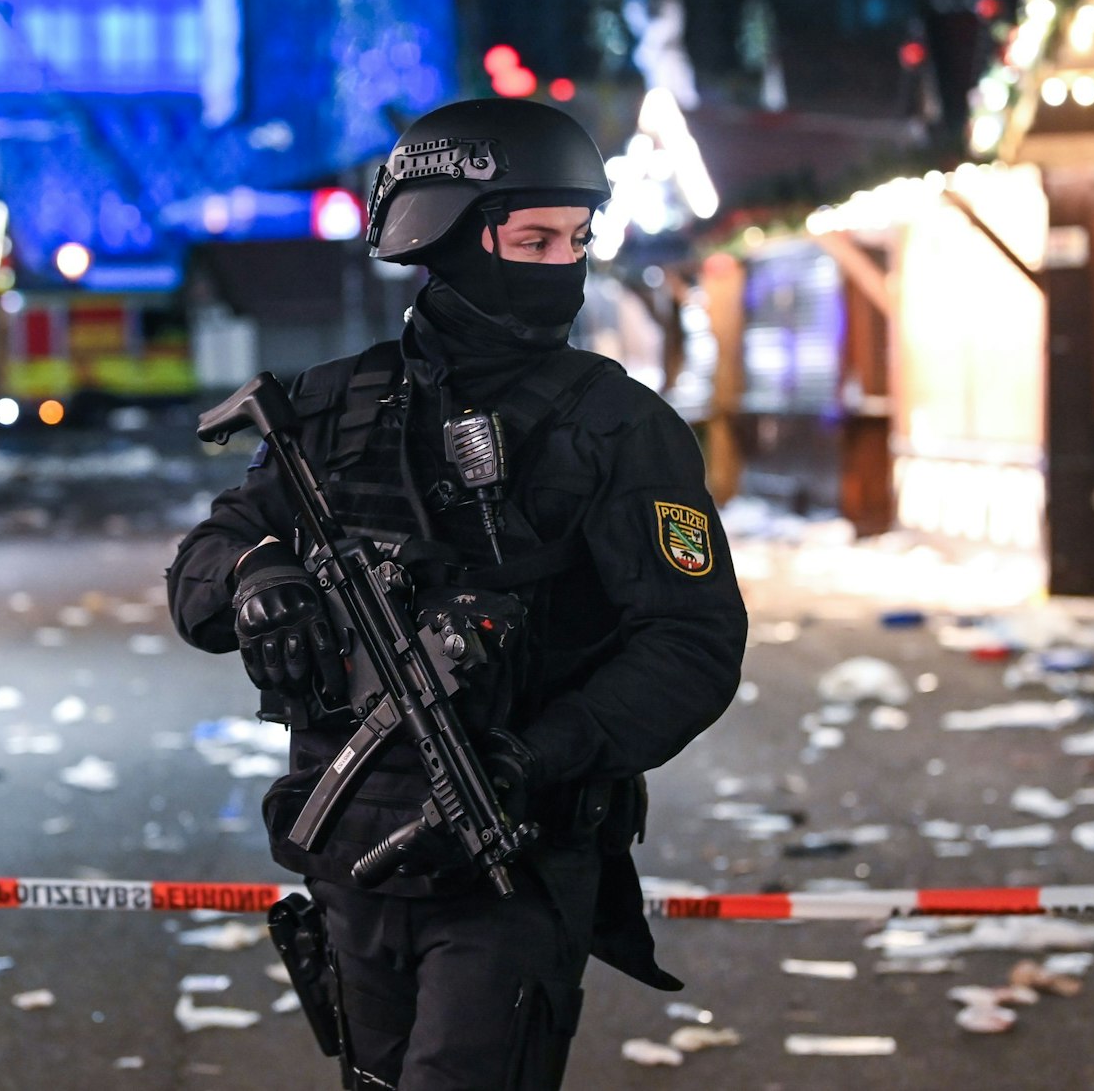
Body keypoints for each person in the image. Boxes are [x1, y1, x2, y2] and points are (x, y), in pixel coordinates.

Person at [166, 98, 746, 1090]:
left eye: (574, 239)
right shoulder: (331, 405)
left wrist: (535, 755)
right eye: (532, 239)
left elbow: (688, 643)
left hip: (511, 854)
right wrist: (258, 575)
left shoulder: (614, 426)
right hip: (350, 849)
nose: (561, 264)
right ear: (443, 234)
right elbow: (201, 568)